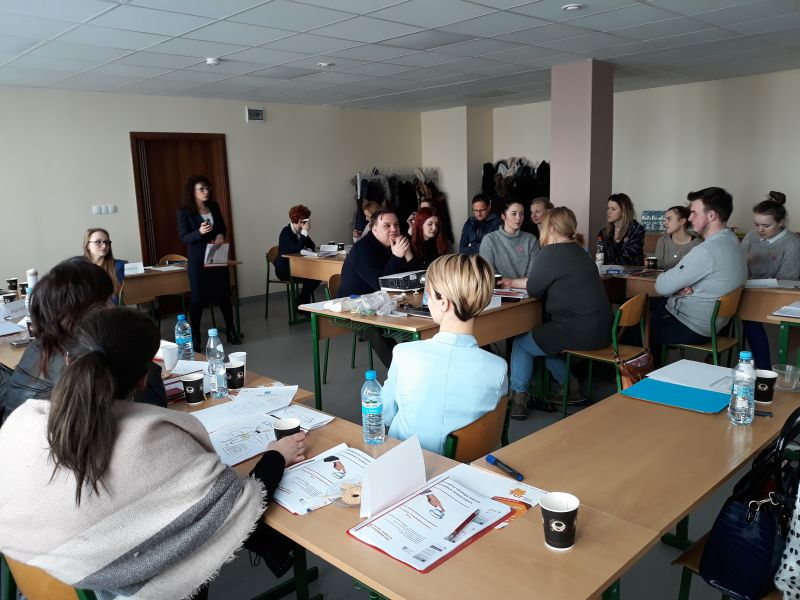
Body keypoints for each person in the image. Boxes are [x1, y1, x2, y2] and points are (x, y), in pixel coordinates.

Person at [0, 308, 307, 600]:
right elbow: (234, 502)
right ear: (144, 378)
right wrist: (276, 455)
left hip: (50, 580)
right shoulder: (153, 438)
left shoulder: (22, 424)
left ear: (68, 358)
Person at [0, 258, 167, 421]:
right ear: (91, 309)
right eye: (109, 299)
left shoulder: (37, 346)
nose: (114, 307)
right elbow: (152, 413)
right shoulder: (92, 357)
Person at [382, 254, 507, 454]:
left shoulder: (405, 355)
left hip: (406, 460)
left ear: (443, 302)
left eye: (428, 295)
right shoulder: (498, 368)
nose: (427, 300)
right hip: (466, 465)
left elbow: (385, 414)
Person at [501, 207, 612, 420]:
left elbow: (535, 289)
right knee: (545, 341)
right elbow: (548, 279)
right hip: (602, 330)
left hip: (576, 331)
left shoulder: (550, 253)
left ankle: (518, 399)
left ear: (551, 228)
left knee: (522, 342)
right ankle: (572, 387)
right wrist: (513, 282)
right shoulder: (580, 252)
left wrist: (513, 283)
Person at [652, 187, 747, 365]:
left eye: (694, 213)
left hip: (690, 326)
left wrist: (674, 288)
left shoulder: (707, 250)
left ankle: (640, 377)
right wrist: (677, 288)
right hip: (715, 324)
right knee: (650, 305)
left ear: (711, 215)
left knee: (632, 322)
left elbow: (662, 286)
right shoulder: (733, 241)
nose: (689, 218)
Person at [339, 209, 420, 367]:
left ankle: (414, 365)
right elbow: (381, 285)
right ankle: (399, 372)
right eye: (387, 226)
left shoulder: (393, 245)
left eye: (396, 225)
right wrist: (396, 257)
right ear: (374, 229)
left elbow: (416, 279)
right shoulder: (362, 249)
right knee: (375, 329)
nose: (393, 229)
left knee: (418, 319)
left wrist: (408, 253)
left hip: (383, 302)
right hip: (354, 306)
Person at [176, 175, 241, 351]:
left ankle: (231, 331)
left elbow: (222, 228)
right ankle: (195, 337)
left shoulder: (213, 206)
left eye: (207, 188)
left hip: (216, 255)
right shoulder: (184, 211)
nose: (206, 192)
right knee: (197, 299)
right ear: (192, 191)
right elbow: (184, 237)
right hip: (198, 260)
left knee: (224, 295)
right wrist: (199, 232)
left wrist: (220, 235)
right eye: (201, 189)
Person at [740, 193, 800, 369]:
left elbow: (788, 278)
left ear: (780, 222)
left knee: (751, 317)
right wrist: (742, 261)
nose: (760, 229)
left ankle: (764, 369)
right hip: (748, 291)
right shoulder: (751, 236)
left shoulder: (792, 243)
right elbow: (737, 265)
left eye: (766, 225)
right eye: (756, 224)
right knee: (740, 314)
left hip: (776, 294)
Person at [273, 204, 321, 307]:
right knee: (311, 279)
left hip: (297, 268)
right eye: (307, 220)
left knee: (318, 276)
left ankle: (299, 303)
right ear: (301, 221)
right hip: (284, 270)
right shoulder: (286, 232)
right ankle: (302, 306)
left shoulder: (299, 232)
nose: (308, 223)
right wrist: (304, 232)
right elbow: (296, 250)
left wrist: (304, 235)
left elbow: (312, 245)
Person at [479, 199, 540, 278]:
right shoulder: (489, 240)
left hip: (526, 285)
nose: (518, 218)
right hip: (497, 285)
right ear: (503, 216)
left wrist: (514, 283)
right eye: (514, 214)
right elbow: (489, 274)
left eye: (521, 214)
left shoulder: (531, 240)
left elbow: (532, 276)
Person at [599, 193, 645, 266]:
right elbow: (600, 259)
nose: (608, 212)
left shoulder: (637, 230)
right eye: (608, 208)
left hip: (632, 272)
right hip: (607, 272)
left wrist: (608, 267)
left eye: (613, 209)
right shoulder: (603, 233)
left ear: (623, 211)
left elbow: (627, 258)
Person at [83, 227, 125, 302]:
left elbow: (121, 297)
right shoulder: (78, 268)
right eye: (98, 242)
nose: (104, 245)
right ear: (87, 245)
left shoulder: (118, 266)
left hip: (113, 308)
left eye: (107, 242)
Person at [653, 205, 702, 270]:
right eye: (665, 219)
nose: (664, 223)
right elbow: (658, 269)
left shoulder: (698, 244)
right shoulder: (663, 241)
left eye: (669, 219)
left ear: (682, 221)